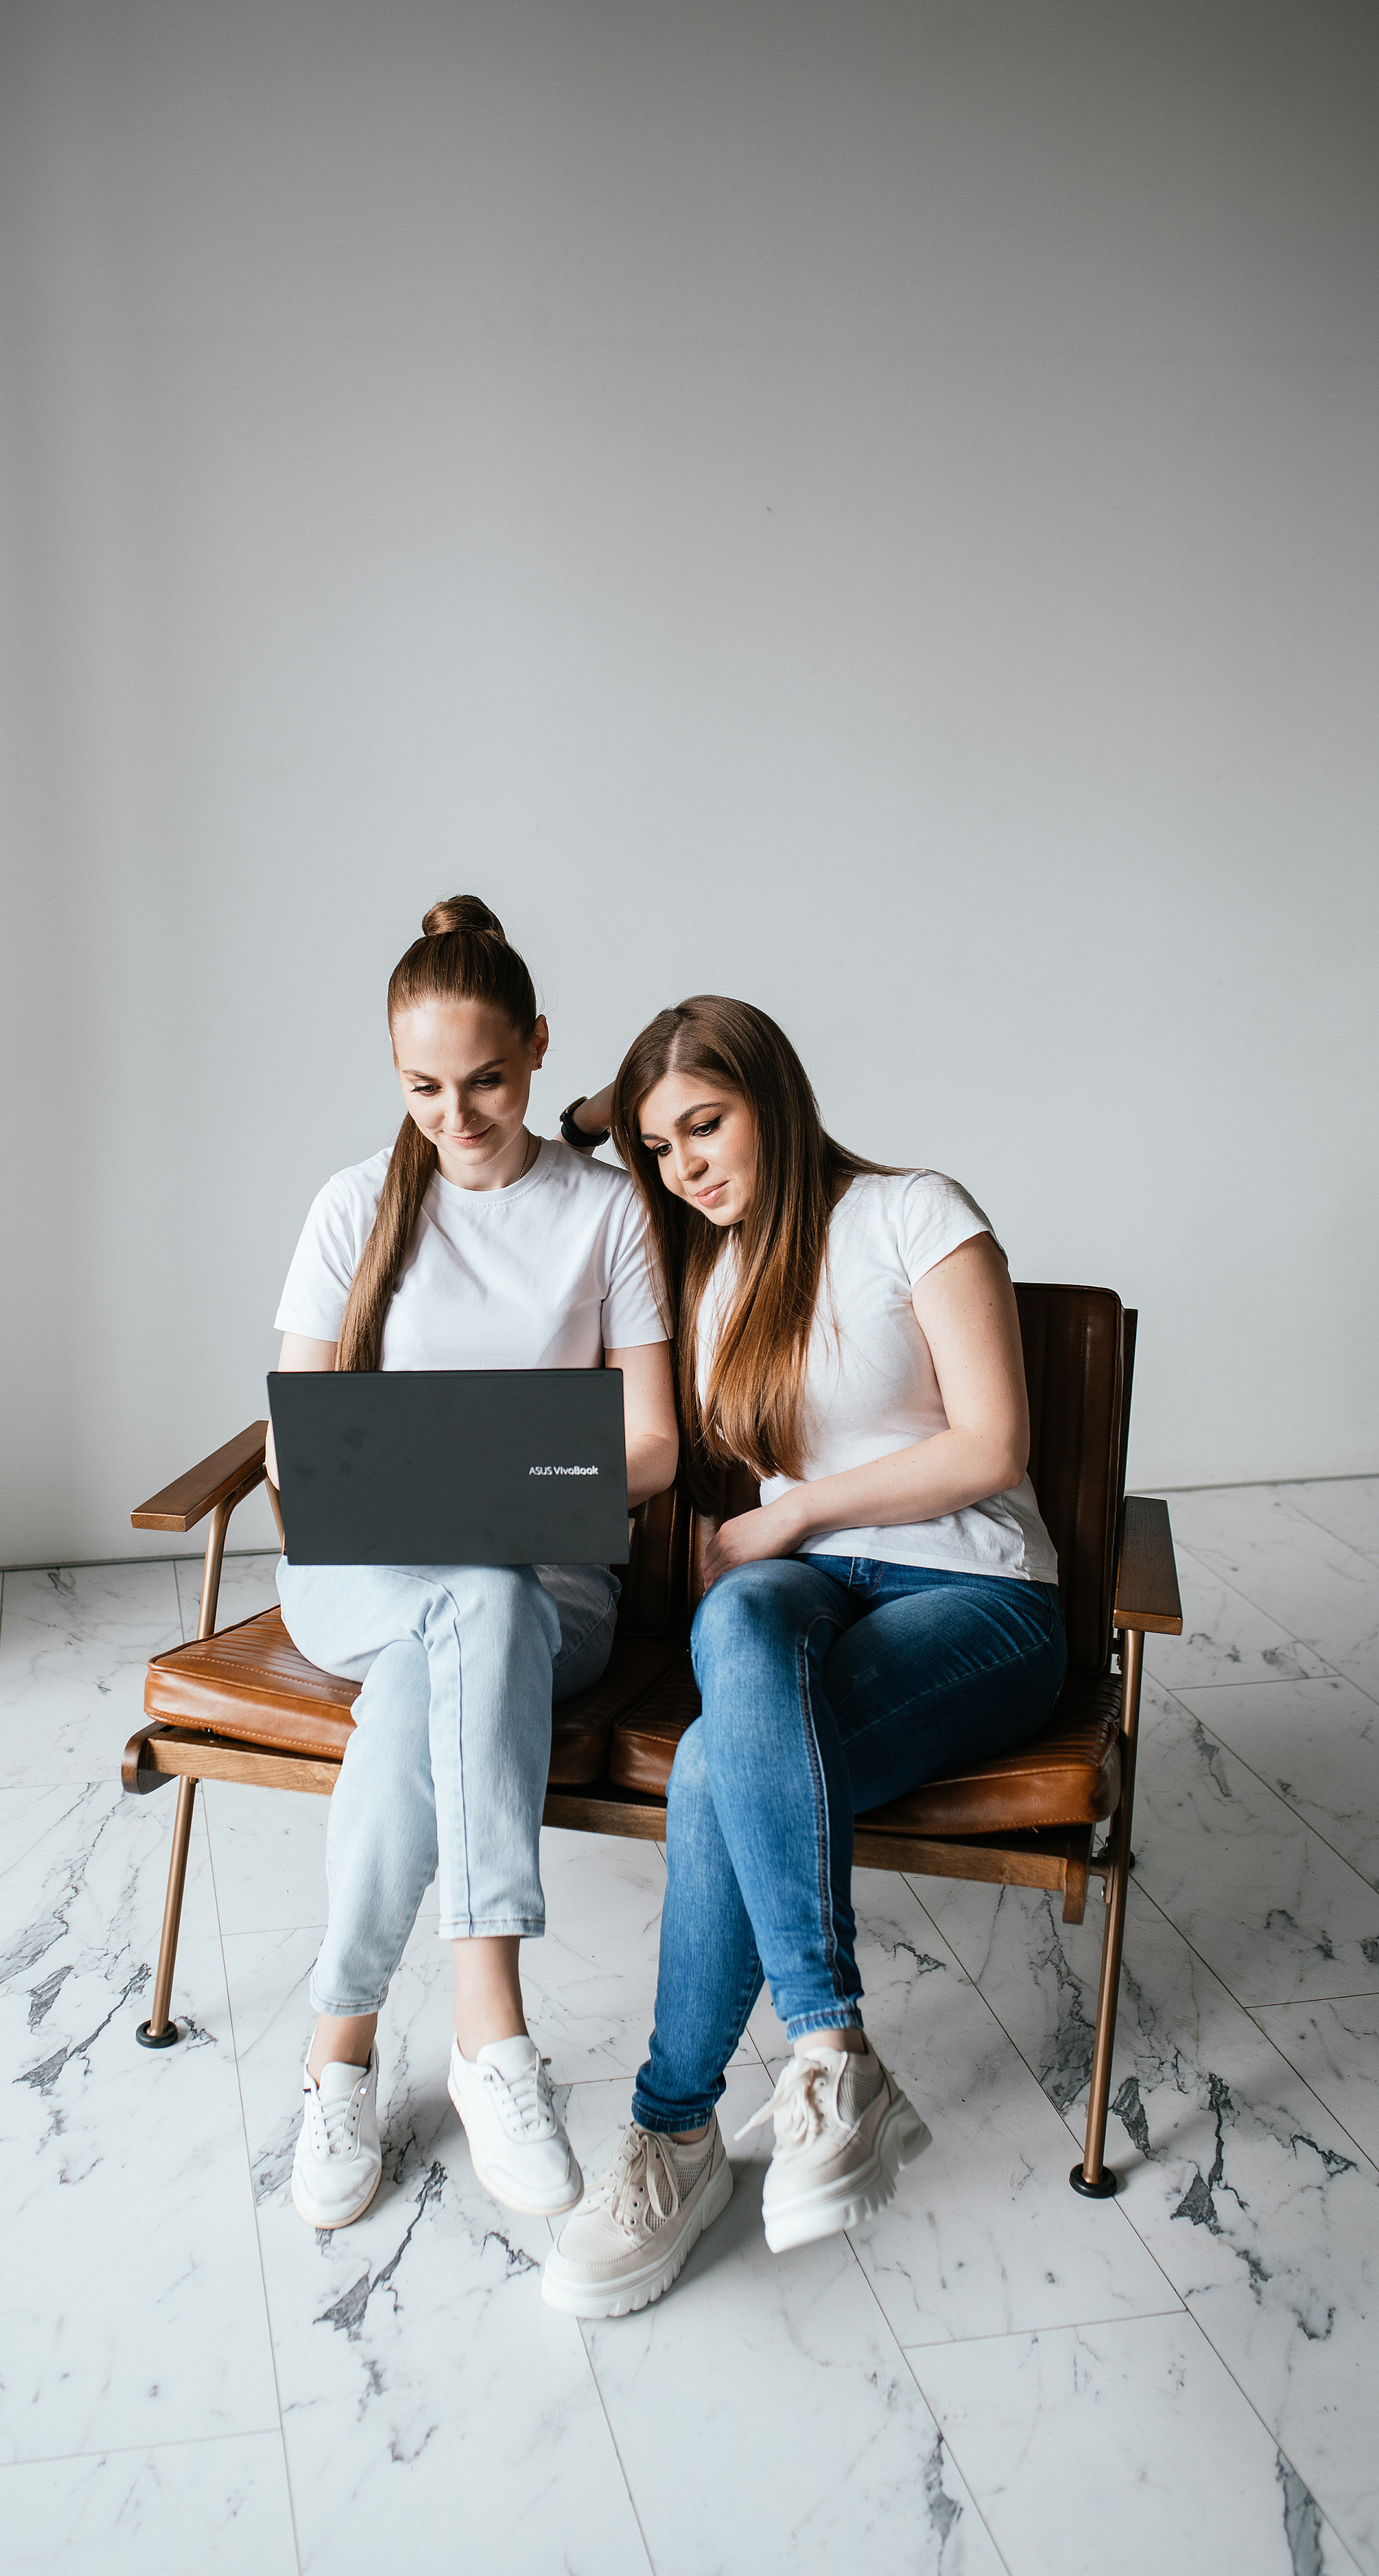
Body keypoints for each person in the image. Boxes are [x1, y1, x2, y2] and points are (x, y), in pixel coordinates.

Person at [541, 998, 1068, 2318]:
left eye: (706, 1125)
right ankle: (832, 2056)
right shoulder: (694, 1251)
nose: (683, 1167)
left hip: (977, 1594)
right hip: (799, 1589)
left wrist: (790, 1512)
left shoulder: (912, 1213)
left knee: (722, 1758)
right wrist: (623, 1109)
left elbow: (991, 1447)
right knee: (732, 1627)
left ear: (774, 1094)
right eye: (659, 1149)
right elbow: (575, 1136)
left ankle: (676, 2130)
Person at [269, 898, 677, 2233]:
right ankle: (489, 2028)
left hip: (549, 1591)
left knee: (473, 1618)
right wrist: (421, 1490)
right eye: (423, 1086)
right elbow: (297, 1448)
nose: (457, 1113)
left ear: (540, 1051)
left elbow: (656, 1447)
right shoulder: (350, 1206)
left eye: (488, 1080)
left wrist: (521, 1489)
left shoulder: (602, 1214)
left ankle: (339, 2048)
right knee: (461, 1603)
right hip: (365, 1579)